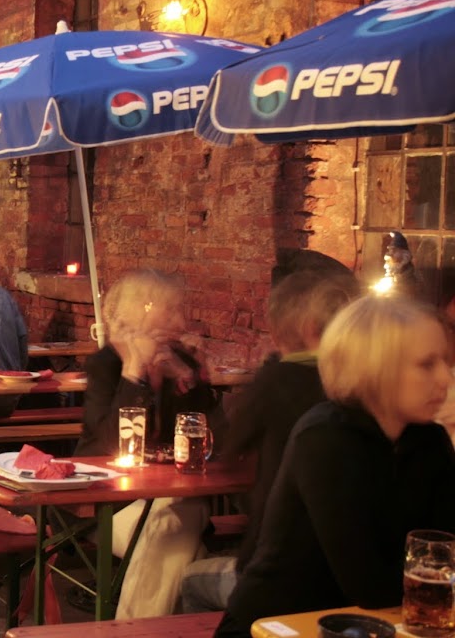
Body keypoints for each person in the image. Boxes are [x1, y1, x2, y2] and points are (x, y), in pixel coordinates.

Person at [215, 295, 455, 637]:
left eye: (446, 361)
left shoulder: (428, 438)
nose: (445, 378)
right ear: (375, 367)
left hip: (376, 626)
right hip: (277, 625)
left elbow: (446, 548)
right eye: (427, 364)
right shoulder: (326, 438)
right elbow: (369, 587)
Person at [179, 268, 361, 613]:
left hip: (283, 577)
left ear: (279, 331)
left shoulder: (277, 380)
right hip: (350, 578)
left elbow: (228, 447)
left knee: (190, 581)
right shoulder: (363, 383)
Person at [74, 268, 225, 619]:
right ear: (141, 310)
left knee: (175, 519)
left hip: (177, 497)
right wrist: (133, 373)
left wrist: (192, 381)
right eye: (171, 310)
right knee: (180, 542)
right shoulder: (106, 365)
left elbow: (221, 441)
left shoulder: (183, 365)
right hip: (107, 505)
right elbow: (110, 442)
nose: (181, 321)